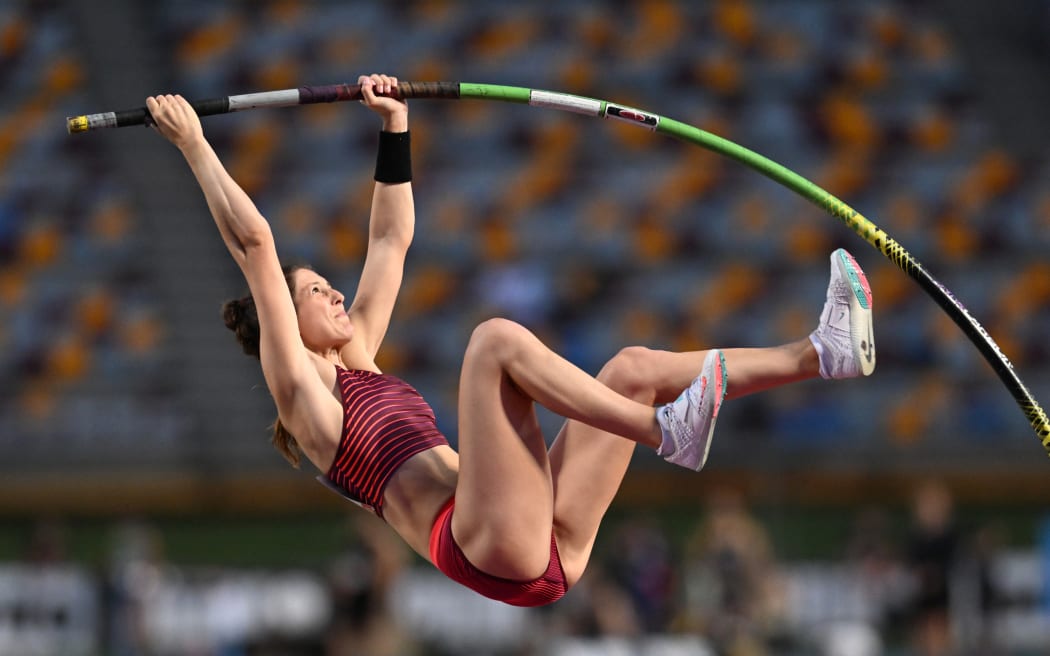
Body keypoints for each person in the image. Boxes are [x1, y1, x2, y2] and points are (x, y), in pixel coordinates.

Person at [145, 73, 876, 608]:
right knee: (493, 341)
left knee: (632, 368)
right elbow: (253, 242)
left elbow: (392, 239)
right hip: (482, 546)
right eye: (314, 292)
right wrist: (195, 143)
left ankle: (821, 353)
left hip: (536, 538)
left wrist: (395, 124)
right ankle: (664, 434)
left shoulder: (358, 353)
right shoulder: (306, 398)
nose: (335, 292)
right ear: (284, 324)